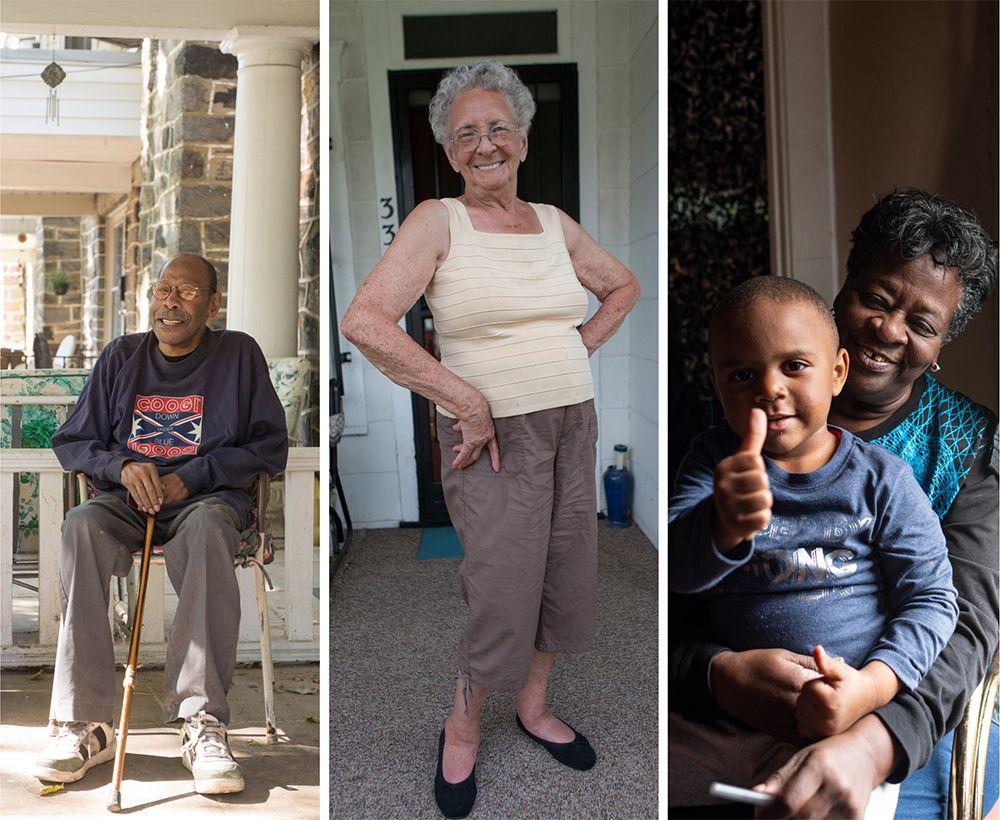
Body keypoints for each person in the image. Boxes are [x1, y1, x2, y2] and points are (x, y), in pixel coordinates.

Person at [341, 60, 640, 818]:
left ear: (524, 141)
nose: (485, 145)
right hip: (493, 440)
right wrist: (463, 397)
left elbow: (623, 286)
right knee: (502, 590)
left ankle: (534, 709)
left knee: (564, 577)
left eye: (498, 128)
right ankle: (464, 724)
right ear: (448, 152)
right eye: (466, 133)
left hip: (574, 422)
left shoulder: (553, 223)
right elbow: (366, 320)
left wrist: (576, 347)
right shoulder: (437, 221)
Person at [670, 189, 998, 819]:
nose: (888, 329)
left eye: (923, 324)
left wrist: (871, 738)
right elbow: (673, 591)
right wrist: (718, 674)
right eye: (875, 298)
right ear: (843, 288)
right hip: (726, 711)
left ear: (940, 346)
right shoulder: (729, 428)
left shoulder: (952, 449)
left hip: (887, 713)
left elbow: (960, 619)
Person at [33, 253, 288, 796]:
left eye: (187, 292)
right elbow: (73, 441)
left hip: (207, 502)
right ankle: (84, 721)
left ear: (213, 303)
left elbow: (270, 445)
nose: (170, 302)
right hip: (129, 501)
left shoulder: (239, 355)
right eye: (162, 290)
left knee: (208, 529)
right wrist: (122, 467)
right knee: (81, 524)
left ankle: (201, 722)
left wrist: (193, 476)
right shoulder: (121, 356)